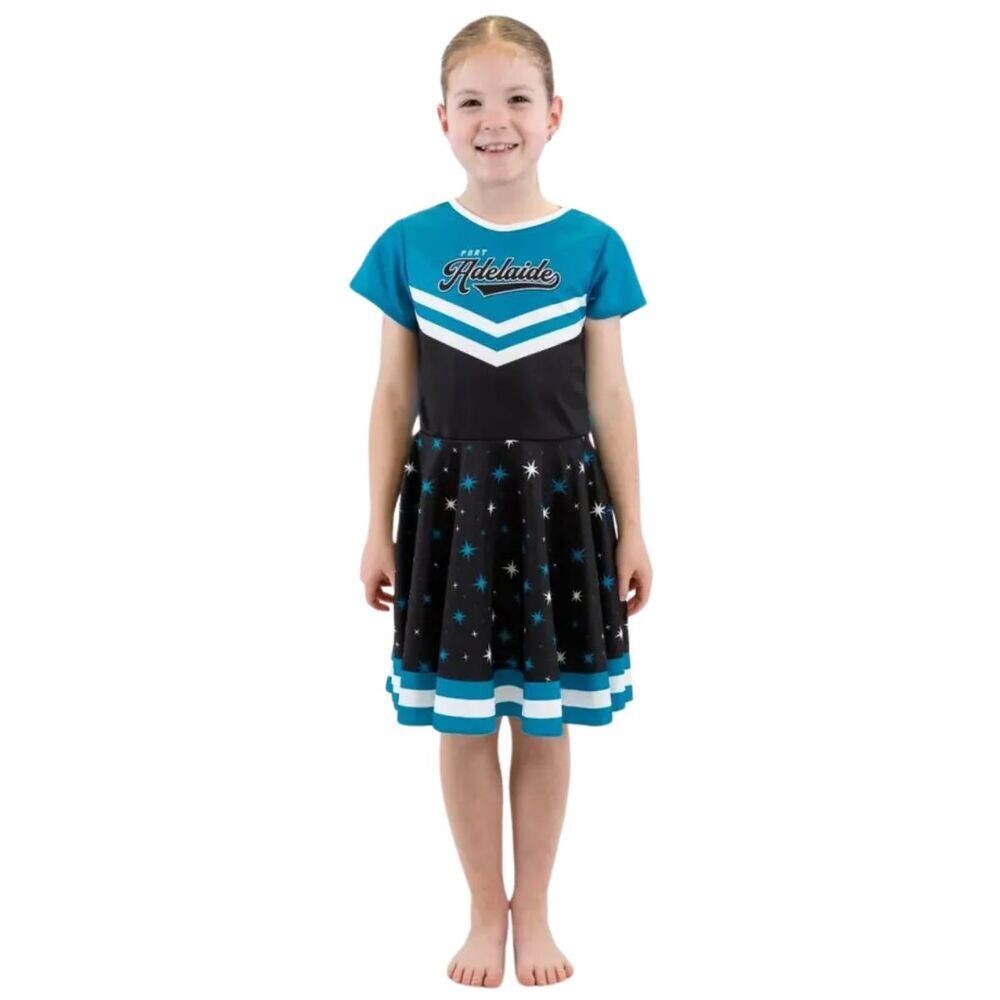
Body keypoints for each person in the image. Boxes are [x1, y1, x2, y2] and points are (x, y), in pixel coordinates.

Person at [349, 15, 653, 989]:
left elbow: (610, 394)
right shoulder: (409, 244)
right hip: (453, 509)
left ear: (554, 114)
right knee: (465, 719)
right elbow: (393, 394)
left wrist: (634, 525)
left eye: (517, 99)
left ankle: (537, 909)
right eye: (472, 101)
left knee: (546, 718)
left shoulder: (593, 244)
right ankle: (485, 909)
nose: (495, 120)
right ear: (440, 118)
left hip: (559, 508)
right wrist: (375, 524)